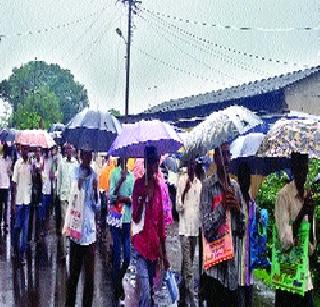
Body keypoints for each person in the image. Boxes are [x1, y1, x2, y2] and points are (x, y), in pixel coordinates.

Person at [200, 143, 244, 307]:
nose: (226, 159)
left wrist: (238, 210)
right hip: (214, 270)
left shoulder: (236, 188)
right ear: (215, 158)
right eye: (222, 155)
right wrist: (222, 205)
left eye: (228, 155)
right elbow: (207, 230)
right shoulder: (208, 187)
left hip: (232, 271)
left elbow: (242, 230)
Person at [275, 152, 316, 307]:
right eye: (299, 166)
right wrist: (302, 213)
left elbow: (311, 248)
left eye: (305, 167)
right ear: (292, 167)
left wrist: (310, 215)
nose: (303, 172)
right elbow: (285, 242)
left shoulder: (307, 197)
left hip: (304, 278)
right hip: (288, 276)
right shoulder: (283, 196)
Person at [132, 146, 170, 307]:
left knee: (151, 295)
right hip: (140, 246)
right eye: (151, 161)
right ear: (146, 163)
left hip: (154, 249)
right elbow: (135, 217)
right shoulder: (139, 185)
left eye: (156, 162)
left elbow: (161, 224)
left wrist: (165, 254)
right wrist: (142, 199)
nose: (154, 165)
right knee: (146, 296)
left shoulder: (160, 189)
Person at [66, 148, 98, 307]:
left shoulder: (95, 174)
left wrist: (96, 192)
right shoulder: (74, 172)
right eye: (85, 154)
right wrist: (80, 183)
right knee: (73, 276)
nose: (88, 157)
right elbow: (72, 197)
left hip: (90, 234)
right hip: (76, 232)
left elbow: (96, 207)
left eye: (90, 154)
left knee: (90, 279)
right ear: (80, 155)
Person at [176, 159, 202, 307]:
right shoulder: (181, 181)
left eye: (194, 164)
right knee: (189, 269)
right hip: (184, 230)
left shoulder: (199, 184)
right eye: (190, 164)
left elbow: (200, 208)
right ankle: (192, 302)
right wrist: (184, 190)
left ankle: (181, 295)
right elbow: (178, 208)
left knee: (187, 264)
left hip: (194, 231)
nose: (192, 167)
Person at [109, 157, 134, 301]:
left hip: (127, 220)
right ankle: (117, 287)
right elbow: (112, 197)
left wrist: (124, 198)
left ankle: (117, 279)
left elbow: (132, 199)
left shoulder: (132, 177)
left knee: (128, 257)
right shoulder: (114, 173)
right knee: (117, 255)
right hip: (116, 219)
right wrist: (119, 182)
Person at [237, 162, 255, 307]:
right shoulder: (236, 202)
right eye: (242, 178)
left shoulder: (252, 204)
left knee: (249, 302)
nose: (245, 181)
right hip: (237, 263)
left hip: (250, 264)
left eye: (247, 178)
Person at [11, 145, 32, 265]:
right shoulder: (18, 164)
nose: (26, 152)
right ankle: (15, 247)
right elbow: (14, 184)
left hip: (27, 201)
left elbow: (32, 182)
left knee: (25, 228)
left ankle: (22, 254)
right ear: (21, 150)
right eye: (24, 149)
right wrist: (13, 203)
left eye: (27, 150)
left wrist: (36, 171)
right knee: (17, 227)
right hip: (19, 201)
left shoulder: (31, 164)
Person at [57, 143, 78, 260]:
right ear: (65, 151)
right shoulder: (61, 163)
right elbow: (59, 179)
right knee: (64, 224)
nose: (69, 151)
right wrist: (58, 194)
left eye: (70, 149)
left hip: (73, 198)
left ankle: (73, 250)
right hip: (64, 197)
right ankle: (64, 251)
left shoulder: (76, 164)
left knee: (74, 224)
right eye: (67, 149)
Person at [28, 147, 42, 243]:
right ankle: (29, 236)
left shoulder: (41, 163)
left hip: (39, 191)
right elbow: (30, 176)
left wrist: (39, 171)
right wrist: (33, 170)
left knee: (37, 215)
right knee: (31, 214)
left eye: (38, 151)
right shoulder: (31, 162)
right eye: (36, 151)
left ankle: (36, 235)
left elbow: (42, 180)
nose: (37, 153)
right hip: (32, 191)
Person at [40, 149, 53, 236]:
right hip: (43, 189)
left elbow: (53, 174)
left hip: (50, 188)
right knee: (43, 210)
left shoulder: (52, 160)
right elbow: (41, 174)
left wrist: (52, 174)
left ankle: (46, 226)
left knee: (48, 209)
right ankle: (42, 228)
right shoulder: (42, 160)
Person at [0, 142, 11, 232]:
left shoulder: (9, 160)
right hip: (1, 186)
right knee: (1, 205)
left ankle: (5, 222)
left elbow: (10, 173)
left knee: (6, 206)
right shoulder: (0, 160)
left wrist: (9, 170)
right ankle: (2, 221)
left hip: (5, 185)